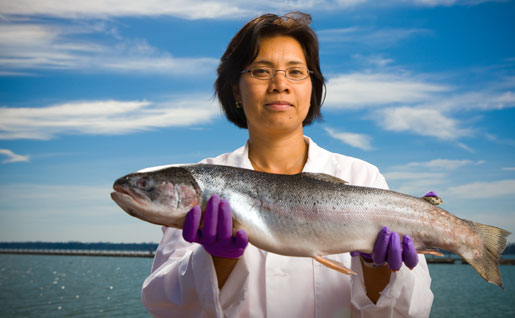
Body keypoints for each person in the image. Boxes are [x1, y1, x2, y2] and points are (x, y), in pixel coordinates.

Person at [141, 12, 433, 317]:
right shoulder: (201, 182)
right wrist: (214, 259)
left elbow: (416, 310)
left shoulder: (362, 177)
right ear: (235, 90)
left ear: (312, 88)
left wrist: (379, 271)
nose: (280, 84)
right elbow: (163, 306)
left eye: (295, 72)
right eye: (260, 71)